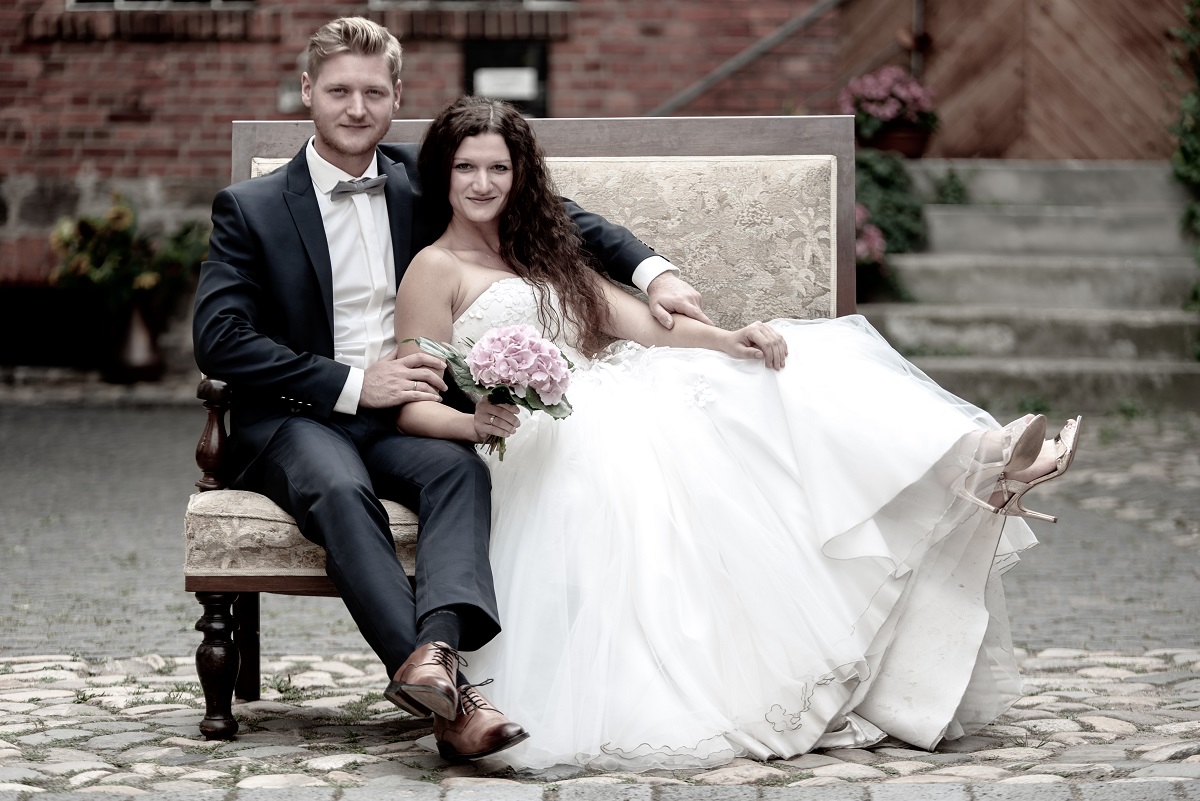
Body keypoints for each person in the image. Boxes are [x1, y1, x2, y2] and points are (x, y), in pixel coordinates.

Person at [393, 96, 1083, 771]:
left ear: (522, 176)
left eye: (498, 168)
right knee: (653, 460)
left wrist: (728, 339)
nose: (483, 184)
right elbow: (411, 405)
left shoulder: (545, 250)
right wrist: (476, 422)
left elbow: (639, 323)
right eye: (465, 169)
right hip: (538, 435)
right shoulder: (435, 269)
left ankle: (979, 457)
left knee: (777, 364)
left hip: (617, 390)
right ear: (443, 175)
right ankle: (973, 467)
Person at [192, 19, 710, 762]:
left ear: (396, 96)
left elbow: (562, 218)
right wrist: (352, 384)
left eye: (375, 92)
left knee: (461, 469)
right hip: (300, 419)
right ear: (308, 92)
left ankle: (434, 655)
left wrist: (655, 272)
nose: (357, 108)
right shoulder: (251, 207)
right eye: (339, 90)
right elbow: (221, 340)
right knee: (340, 490)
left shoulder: (423, 180)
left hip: (413, 415)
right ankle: (460, 700)